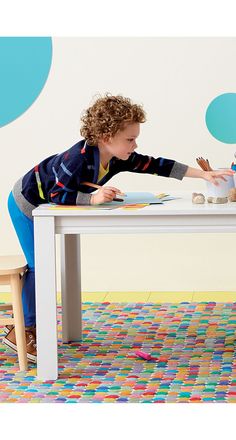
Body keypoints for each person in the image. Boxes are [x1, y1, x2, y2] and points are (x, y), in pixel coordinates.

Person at [4, 93, 234, 363]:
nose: (135, 144)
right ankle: (22, 332)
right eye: (130, 139)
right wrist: (92, 199)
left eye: (135, 138)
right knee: (40, 267)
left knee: (42, 264)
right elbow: (57, 194)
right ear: (106, 136)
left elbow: (155, 165)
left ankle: (27, 329)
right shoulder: (76, 158)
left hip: (46, 201)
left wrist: (203, 174)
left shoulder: (117, 156)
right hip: (27, 202)